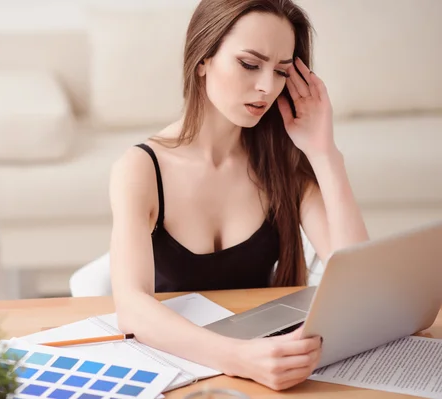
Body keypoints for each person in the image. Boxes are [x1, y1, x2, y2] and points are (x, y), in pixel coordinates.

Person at [108, 0, 370, 392]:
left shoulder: (283, 166)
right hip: (183, 373)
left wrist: (324, 152)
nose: (267, 86)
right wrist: (239, 357)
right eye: (250, 64)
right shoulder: (141, 167)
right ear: (203, 59)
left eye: (282, 71)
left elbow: (360, 286)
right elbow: (131, 307)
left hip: (269, 373)